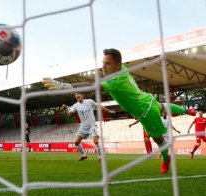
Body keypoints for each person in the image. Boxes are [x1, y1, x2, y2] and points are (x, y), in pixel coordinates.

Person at [43, 48, 196, 173]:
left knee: (158, 139)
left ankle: (165, 158)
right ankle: (186, 110)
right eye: (103, 63)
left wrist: (65, 86)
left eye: (107, 64)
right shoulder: (121, 69)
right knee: (162, 106)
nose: (103, 66)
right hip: (145, 99)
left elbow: (91, 87)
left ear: (117, 65)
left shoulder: (115, 82)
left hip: (146, 110)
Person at [61, 92, 115, 162]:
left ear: (82, 95)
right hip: (83, 126)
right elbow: (68, 114)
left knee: (95, 141)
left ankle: (101, 157)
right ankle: (84, 155)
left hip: (92, 125)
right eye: (75, 95)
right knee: (76, 142)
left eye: (78, 94)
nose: (77, 96)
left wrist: (109, 111)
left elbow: (99, 106)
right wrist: (65, 108)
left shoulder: (89, 101)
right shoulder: (76, 105)